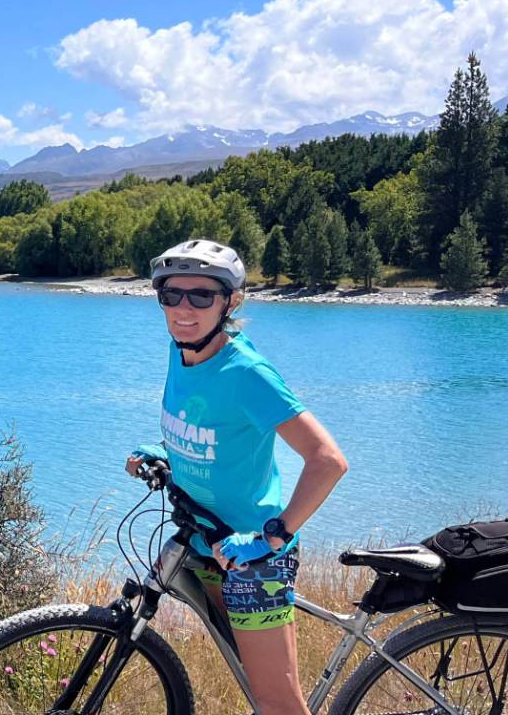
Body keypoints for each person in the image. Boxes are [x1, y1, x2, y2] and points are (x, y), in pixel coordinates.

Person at [126, 239, 348, 715]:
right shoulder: (181, 351)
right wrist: (164, 451)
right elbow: (210, 430)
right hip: (205, 540)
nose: (184, 309)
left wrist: (273, 536)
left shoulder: (247, 372)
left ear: (229, 302)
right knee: (251, 682)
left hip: (252, 559)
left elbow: (328, 460)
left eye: (201, 296)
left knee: (278, 704)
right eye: (172, 295)